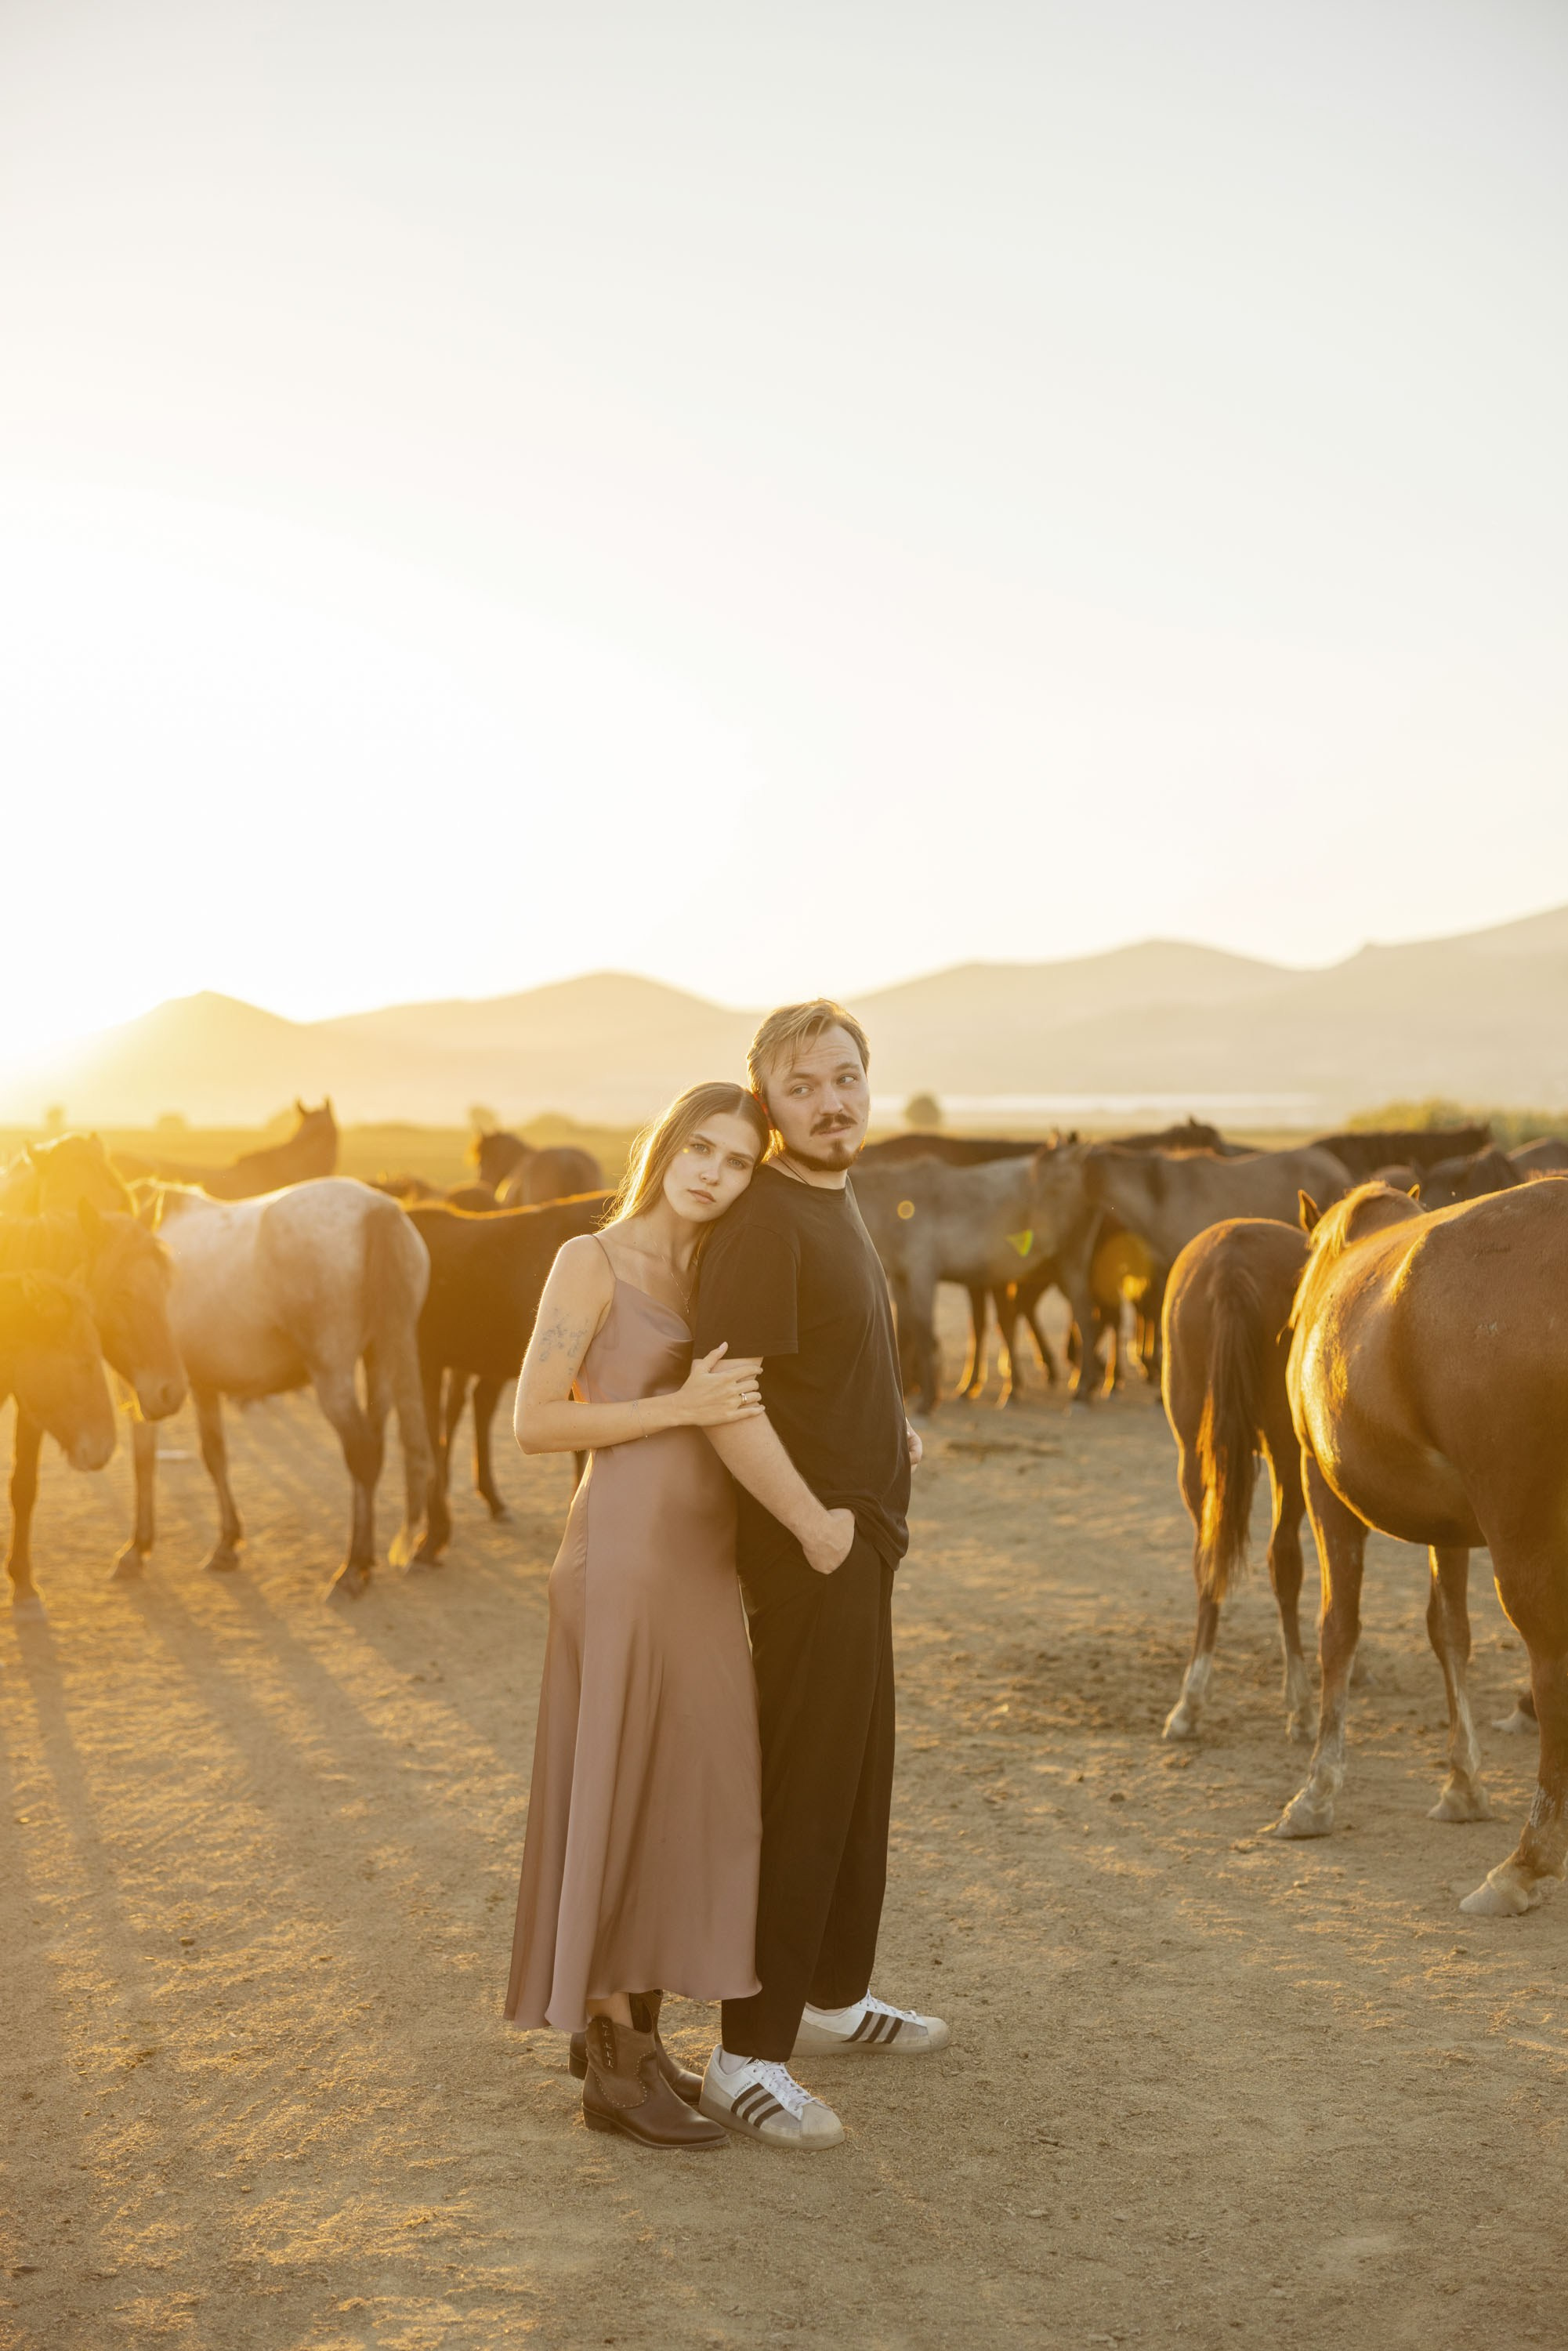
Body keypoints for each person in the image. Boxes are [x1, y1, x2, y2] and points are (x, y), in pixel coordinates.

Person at [692, 1000, 949, 2152]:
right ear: (766, 1101)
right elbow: (727, 1395)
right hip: (812, 1554)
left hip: (860, 1541)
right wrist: (813, 1525)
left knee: (857, 1781)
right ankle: (744, 2054)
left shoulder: (835, 1200)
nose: (833, 1101)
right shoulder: (764, 1225)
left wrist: (891, 1431)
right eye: (804, 1087)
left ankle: (835, 1997)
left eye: (847, 1078)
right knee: (804, 1795)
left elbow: (834, 1360)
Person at [502, 1081, 772, 2151]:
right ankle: (612, 2064)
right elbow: (532, 1422)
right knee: (615, 1794)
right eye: (698, 1149)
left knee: (689, 1793)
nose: (711, 1173)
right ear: (664, 1149)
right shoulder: (592, 1260)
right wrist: (679, 1406)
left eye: (737, 1161)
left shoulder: (716, 1269)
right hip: (617, 1557)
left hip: (704, 1566)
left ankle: (639, 2031)